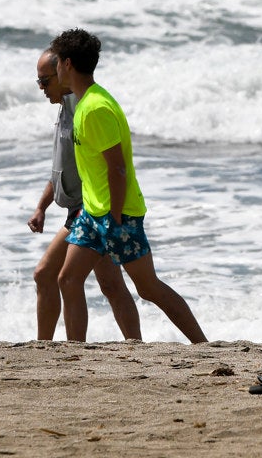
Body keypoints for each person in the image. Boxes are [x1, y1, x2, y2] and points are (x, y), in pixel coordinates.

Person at [49, 28, 208, 343]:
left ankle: (203, 345)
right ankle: (74, 354)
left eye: (56, 63)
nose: (54, 70)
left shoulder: (95, 108)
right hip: (93, 213)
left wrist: (117, 216)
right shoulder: (83, 103)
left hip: (116, 213)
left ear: (67, 64)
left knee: (148, 288)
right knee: (68, 279)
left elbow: (118, 167)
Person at [27, 49, 142, 341]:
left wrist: (112, 215)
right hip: (82, 210)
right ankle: (134, 345)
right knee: (109, 284)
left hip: (89, 210)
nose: (41, 88)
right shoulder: (66, 108)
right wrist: (42, 206)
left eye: (45, 81)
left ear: (64, 73)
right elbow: (63, 168)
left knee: (54, 275)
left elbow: (111, 166)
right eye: (38, 82)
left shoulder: (85, 106)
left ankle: (59, 349)